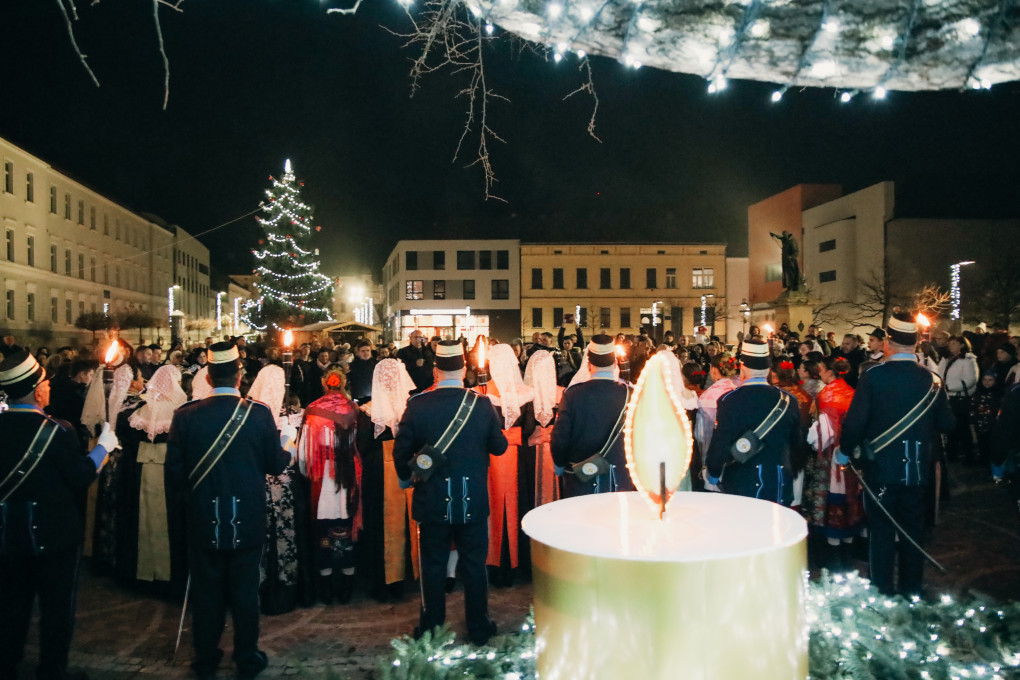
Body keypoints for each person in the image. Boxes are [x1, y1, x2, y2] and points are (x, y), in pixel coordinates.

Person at [165, 342, 293, 679]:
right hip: (247, 517)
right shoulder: (259, 414)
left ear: (207, 375)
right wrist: (289, 443)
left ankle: (205, 659)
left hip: (202, 518)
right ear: (240, 375)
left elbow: (174, 474)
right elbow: (275, 465)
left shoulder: (185, 416)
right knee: (245, 592)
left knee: (207, 593)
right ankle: (246, 657)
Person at [0, 350, 118, 680]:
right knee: (56, 610)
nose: (50, 388)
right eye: (46, 384)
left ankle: (7, 664)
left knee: (11, 605)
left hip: (8, 533)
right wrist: (103, 448)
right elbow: (80, 477)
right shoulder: (57, 431)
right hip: (54, 537)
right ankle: (52, 670)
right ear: (38, 391)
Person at [392, 340, 508, 645]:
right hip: (473, 498)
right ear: (465, 368)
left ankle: (431, 629)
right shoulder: (481, 403)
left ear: (435, 370)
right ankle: (479, 627)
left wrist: (407, 480)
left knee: (432, 565)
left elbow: (401, 451)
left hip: (431, 499)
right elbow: (500, 447)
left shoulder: (417, 404)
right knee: (474, 565)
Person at [839, 313, 955, 598]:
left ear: (889, 341)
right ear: (916, 343)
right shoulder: (932, 380)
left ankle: (882, 590)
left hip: (880, 468)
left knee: (880, 532)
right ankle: (911, 589)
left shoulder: (874, 376)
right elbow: (948, 425)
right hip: (916, 469)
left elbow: (855, 422)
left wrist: (844, 453)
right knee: (912, 531)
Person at [114, 364, 188, 593]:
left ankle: (141, 572)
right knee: (169, 519)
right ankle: (170, 576)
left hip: (140, 470)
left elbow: (126, 435)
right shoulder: (180, 410)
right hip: (170, 473)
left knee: (142, 516)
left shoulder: (140, 409)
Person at [247, 365, 313, 615]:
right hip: (281, 483)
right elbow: (295, 454)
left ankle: (267, 591)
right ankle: (280, 591)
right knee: (280, 537)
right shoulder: (275, 415)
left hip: (258, 486)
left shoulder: (252, 414)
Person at [703, 340, 801, 505]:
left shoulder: (729, 401)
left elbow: (720, 444)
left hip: (741, 483)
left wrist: (712, 473)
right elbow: (797, 446)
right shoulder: (788, 400)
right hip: (778, 482)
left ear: (742, 369)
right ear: (768, 370)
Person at [296, 366, 361, 605]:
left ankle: (326, 588)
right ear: (343, 383)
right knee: (347, 531)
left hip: (322, 481)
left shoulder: (312, 411)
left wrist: (307, 474)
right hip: (348, 480)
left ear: (324, 383)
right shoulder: (354, 410)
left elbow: (303, 455)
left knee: (323, 533)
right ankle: (346, 588)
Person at [476, 344, 535, 587]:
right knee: (516, 505)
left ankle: (493, 564)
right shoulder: (525, 393)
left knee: (492, 507)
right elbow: (530, 428)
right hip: (518, 457)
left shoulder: (481, 391)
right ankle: (516, 563)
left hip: (490, 457)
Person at [360, 358, 418, 601]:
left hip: (378, 472)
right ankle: (407, 577)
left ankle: (384, 582)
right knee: (409, 520)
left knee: (380, 525)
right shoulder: (412, 408)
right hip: (408, 469)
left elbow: (362, 445)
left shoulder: (368, 412)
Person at [551, 335, 634, 497]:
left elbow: (560, 437)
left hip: (581, 480)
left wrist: (560, 466)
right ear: (615, 363)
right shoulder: (630, 393)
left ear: (589, 364)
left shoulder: (572, 394)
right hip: (620, 479)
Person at [802, 357, 862, 570]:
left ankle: (834, 562)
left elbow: (822, 434)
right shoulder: (853, 393)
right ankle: (849, 555)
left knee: (833, 506)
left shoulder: (826, 396)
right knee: (849, 503)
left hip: (832, 460)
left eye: (821, 370)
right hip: (852, 457)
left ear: (829, 372)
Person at [937, 336, 979, 463]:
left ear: (961, 345)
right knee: (951, 427)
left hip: (960, 398)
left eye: (954, 343)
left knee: (963, 428)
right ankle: (951, 453)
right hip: (949, 396)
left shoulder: (968, 360)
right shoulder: (947, 359)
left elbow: (970, 379)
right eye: (950, 343)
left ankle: (968, 455)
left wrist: (950, 386)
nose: (951, 346)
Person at [347, 340, 377, 405]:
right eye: (363, 351)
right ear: (358, 352)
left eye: (368, 350)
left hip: (374, 397)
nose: (366, 353)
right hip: (358, 397)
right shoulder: (352, 366)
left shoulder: (376, 365)